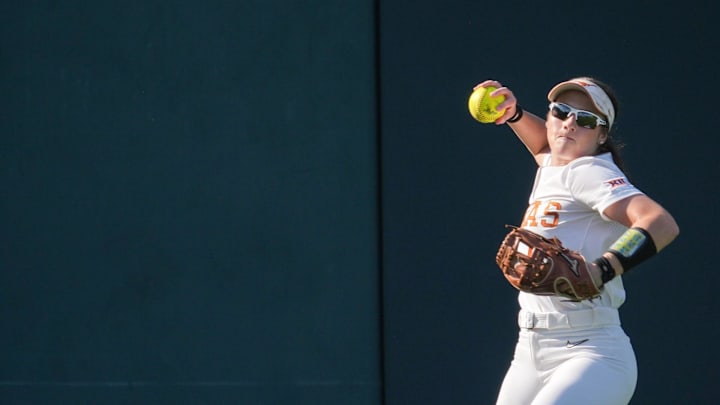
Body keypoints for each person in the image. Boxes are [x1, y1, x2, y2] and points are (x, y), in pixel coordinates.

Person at [475, 77, 680, 405]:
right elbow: (544, 146)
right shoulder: (555, 165)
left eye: (585, 120)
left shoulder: (589, 172)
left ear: (601, 136)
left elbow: (661, 223)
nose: (568, 124)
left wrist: (604, 267)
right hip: (529, 351)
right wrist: (514, 116)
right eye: (560, 111)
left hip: (590, 352)